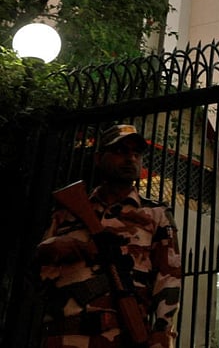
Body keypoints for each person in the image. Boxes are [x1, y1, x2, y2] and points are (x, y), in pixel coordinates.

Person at [35, 124, 182, 348]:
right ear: (98, 158)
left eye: (136, 153)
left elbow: (169, 278)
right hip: (62, 337)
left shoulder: (156, 215)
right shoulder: (68, 212)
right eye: (120, 151)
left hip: (121, 336)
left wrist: (162, 332)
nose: (130, 159)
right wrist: (67, 247)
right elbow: (36, 270)